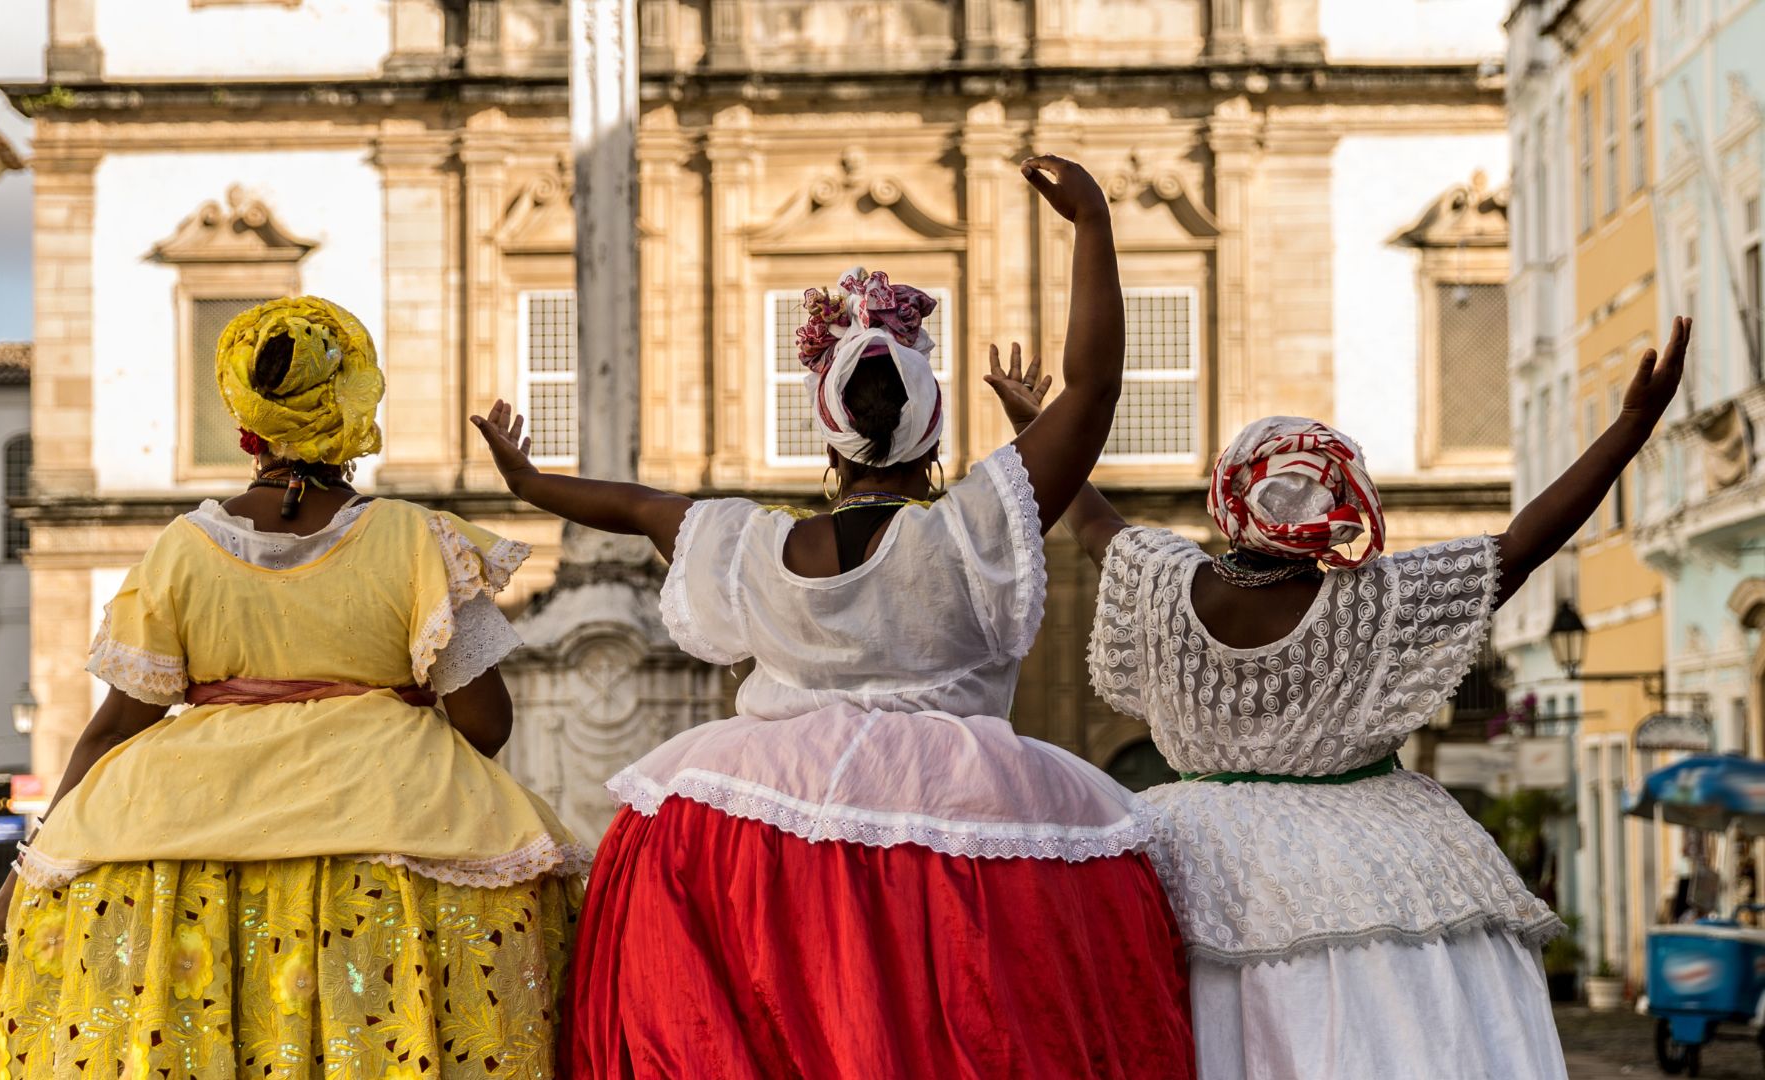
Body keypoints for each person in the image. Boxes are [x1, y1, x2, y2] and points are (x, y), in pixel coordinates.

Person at [473, 155, 1195, 1079]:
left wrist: (530, 483)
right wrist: (1092, 226)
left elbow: (639, 504)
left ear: (831, 432)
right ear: (929, 429)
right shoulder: (972, 528)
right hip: (960, 819)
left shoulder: (747, 545)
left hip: (763, 823)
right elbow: (1092, 390)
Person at [986, 316, 1692, 1079]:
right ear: (1339, 508)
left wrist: (1035, 422)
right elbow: (1522, 544)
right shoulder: (1376, 602)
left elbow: (1090, 517)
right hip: (1377, 851)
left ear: (1231, 498)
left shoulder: (1161, 581)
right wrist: (1628, 431)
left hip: (1187, 851)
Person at [0, 297, 586, 1078]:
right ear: (352, 404)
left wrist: (18, 879)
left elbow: (112, 729)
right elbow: (485, 722)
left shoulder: (181, 552)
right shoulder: (418, 538)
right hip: (396, 848)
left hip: (176, 858)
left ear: (248, 418)